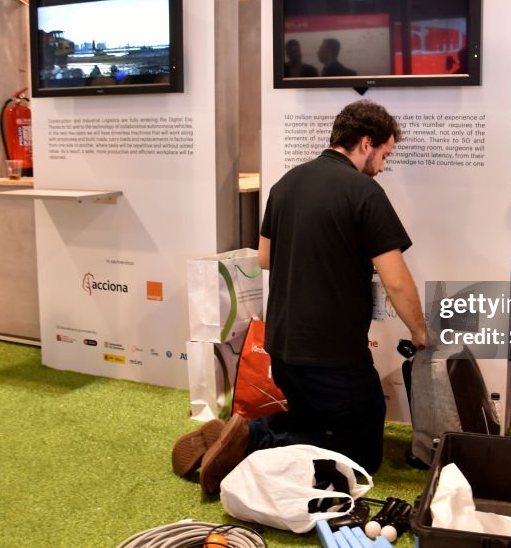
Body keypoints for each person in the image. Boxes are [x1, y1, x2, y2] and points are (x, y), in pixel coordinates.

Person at [173, 100, 428, 495]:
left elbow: (264, 258)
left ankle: (242, 431)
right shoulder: (364, 192)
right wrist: (420, 330)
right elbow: (396, 281)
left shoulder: (286, 183)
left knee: (307, 424)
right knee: (362, 455)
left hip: (282, 350)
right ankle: (252, 440)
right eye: (384, 155)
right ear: (365, 143)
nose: (382, 166)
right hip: (334, 356)